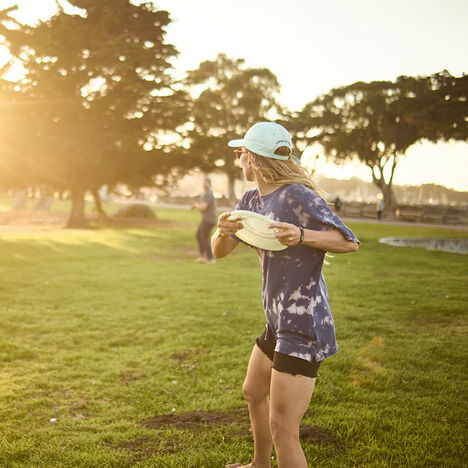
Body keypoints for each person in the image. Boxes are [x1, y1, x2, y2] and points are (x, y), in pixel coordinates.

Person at [211, 122, 360, 468]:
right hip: (278, 321)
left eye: (240, 154)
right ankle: (260, 465)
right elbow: (220, 251)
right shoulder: (250, 200)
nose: (239, 160)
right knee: (253, 391)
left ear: (253, 158)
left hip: (303, 324)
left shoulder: (297, 196)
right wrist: (222, 232)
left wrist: (301, 234)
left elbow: (348, 242)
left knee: (283, 428)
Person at [192, 177, 217, 264]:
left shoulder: (208, 194)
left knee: (204, 237)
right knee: (199, 235)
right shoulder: (206, 193)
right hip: (206, 219)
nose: (204, 184)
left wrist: (195, 205)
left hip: (209, 220)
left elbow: (203, 207)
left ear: (210, 185)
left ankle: (210, 258)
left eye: (206, 183)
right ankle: (203, 256)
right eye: (204, 183)